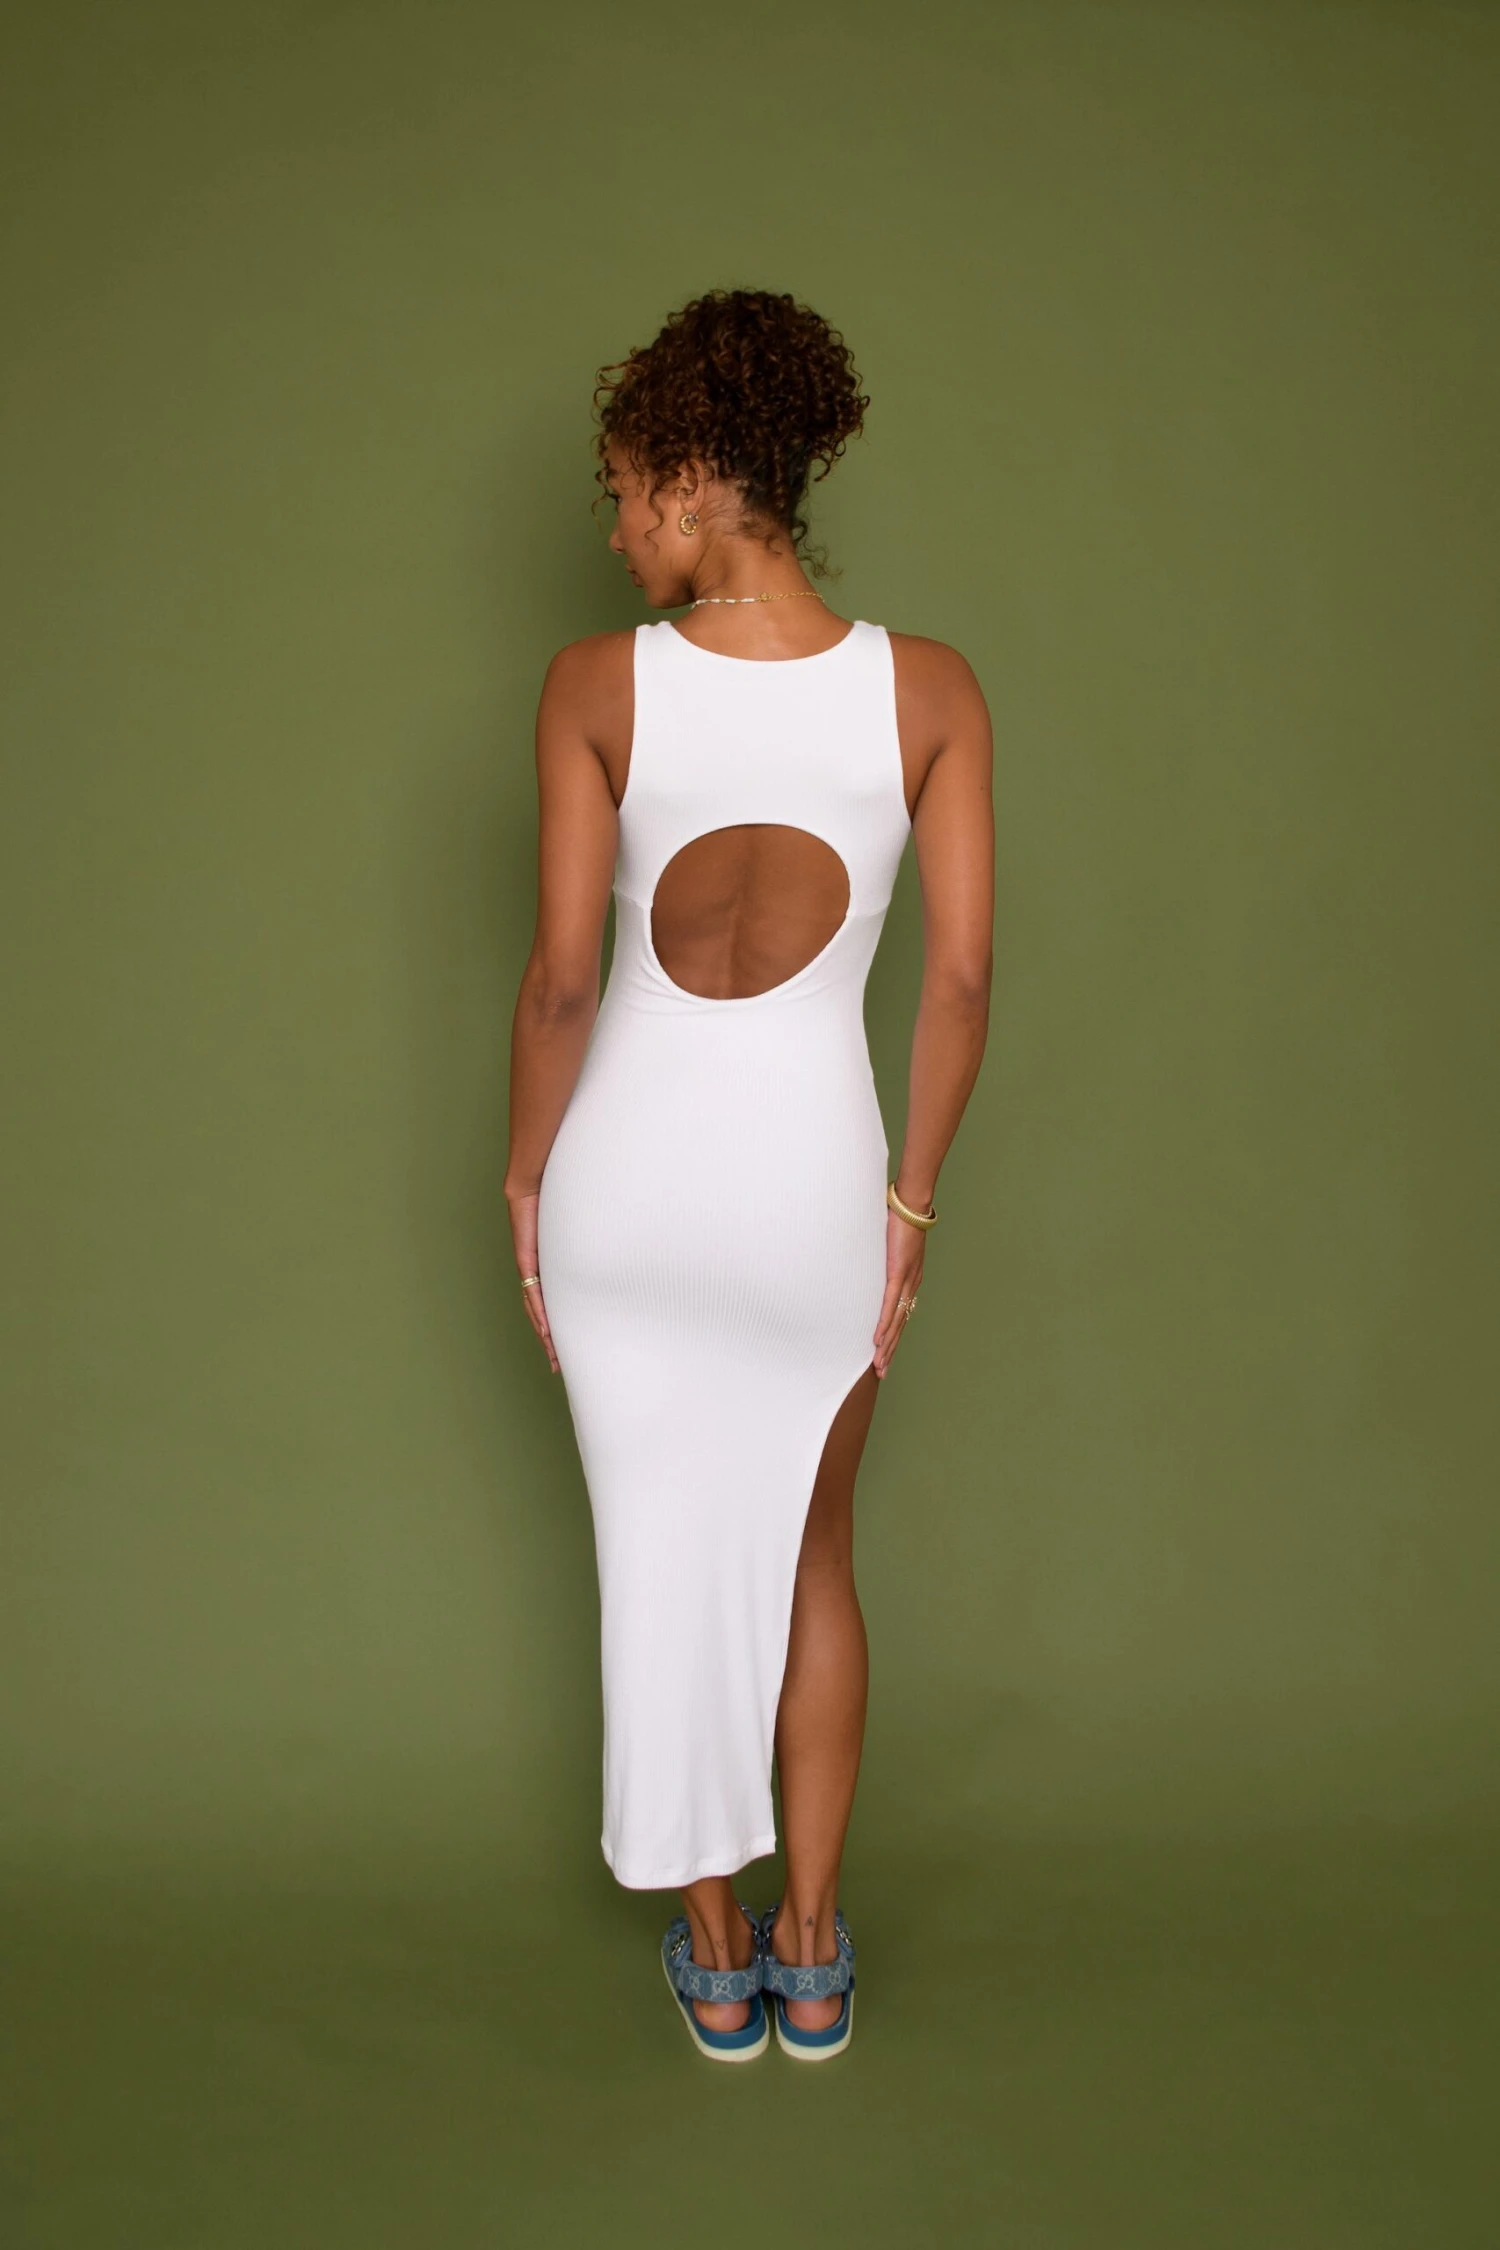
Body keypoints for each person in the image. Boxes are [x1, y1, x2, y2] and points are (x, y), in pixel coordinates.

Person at [504, 287, 993, 2061]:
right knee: (813, 1558)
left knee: (657, 1564)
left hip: (627, 1192)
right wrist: (910, 1203)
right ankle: (810, 1946)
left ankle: (713, 1958)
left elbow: (565, 983)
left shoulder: (593, 687)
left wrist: (522, 1182)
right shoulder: (927, 691)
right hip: (811, 1194)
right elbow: (957, 981)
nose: (617, 532)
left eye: (627, 492)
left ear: (701, 476)